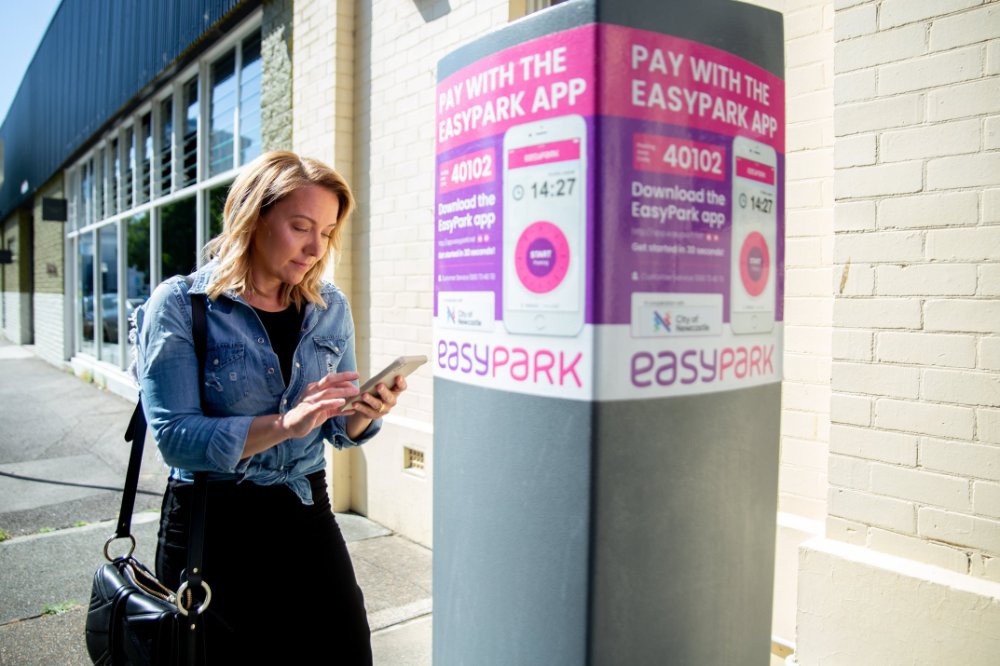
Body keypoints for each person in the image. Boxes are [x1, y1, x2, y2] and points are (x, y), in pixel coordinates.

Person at [133, 150, 404, 664]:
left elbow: (339, 429)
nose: (313, 247)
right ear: (253, 217)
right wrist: (285, 423)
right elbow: (174, 438)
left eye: (325, 232)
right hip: (213, 524)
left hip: (305, 511)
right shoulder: (182, 303)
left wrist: (367, 409)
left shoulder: (329, 306)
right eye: (300, 226)